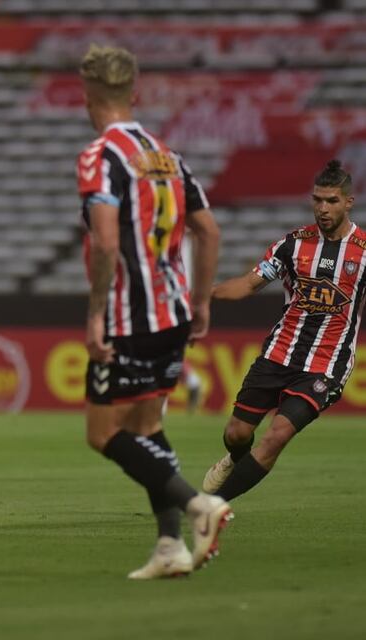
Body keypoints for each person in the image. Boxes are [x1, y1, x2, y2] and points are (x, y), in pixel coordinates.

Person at [76, 44, 230, 579]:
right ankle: (169, 546)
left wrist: (97, 314)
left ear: (87, 93)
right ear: (134, 92)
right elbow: (207, 230)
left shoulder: (101, 156)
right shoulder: (168, 155)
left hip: (129, 316)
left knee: (102, 434)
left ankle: (198, 506)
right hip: (175, 312)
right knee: (146, 426)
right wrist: (203, 300)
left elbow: (105, 242)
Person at [203, 160, 364, 500]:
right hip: (278, 354)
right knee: (236, 434)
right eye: (318, 200)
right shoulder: (292, 246)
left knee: (276, 436)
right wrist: (204, 295)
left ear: (349, 202)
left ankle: (210, 507)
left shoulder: (364, 252)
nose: (323, 208)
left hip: (325, 363)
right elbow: (249, 284)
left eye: (332, 201)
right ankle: (236, 460)